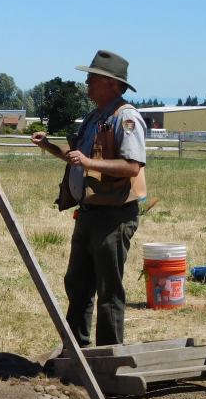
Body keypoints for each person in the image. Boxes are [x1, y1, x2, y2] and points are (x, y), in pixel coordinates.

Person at [31, 50, 147, 347]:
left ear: (111, 83)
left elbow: (133, 167)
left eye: (93, 77)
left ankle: (108, 358)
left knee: (109, 290)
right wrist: (49, 147)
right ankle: (77, 352)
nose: (87, 81)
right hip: (88, 213)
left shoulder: (126, 118)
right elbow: (77, 160)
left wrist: (88, 162)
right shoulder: (95, 118)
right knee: (78, 284)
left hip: (113, 216)